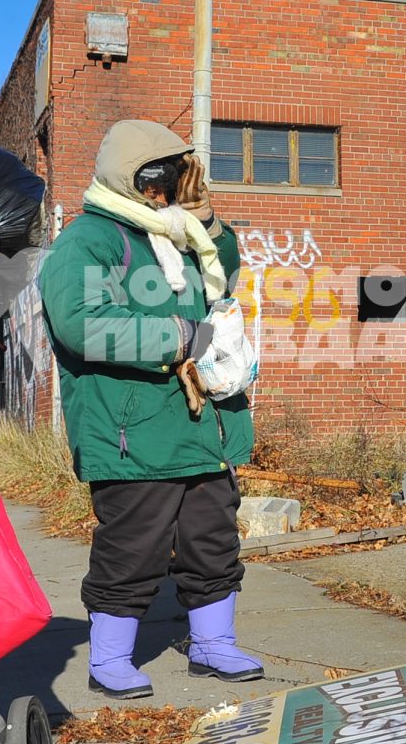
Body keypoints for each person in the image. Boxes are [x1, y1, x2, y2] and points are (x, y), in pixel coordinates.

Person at [37, 119, 261, 698]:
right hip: (131, 430)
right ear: (130, 175)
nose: (168, 188)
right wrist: (180, 338)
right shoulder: (90, 238)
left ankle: (213, 645)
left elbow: (225, 278)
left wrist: (207, 220)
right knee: (130, 546)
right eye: (157, 175)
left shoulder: (182, 234)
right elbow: (81, 323)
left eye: (176, 174)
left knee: (213, 539)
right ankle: (109, 657)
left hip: (202, 426)